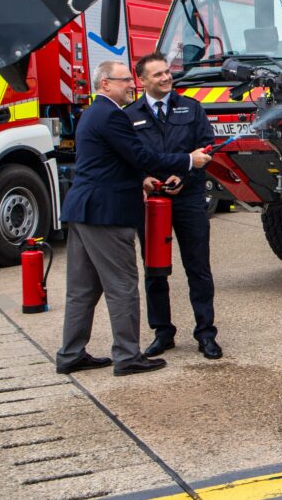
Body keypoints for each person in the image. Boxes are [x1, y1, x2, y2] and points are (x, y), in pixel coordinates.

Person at [55, 60, 211, 377]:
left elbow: (116, 161)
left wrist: (143, 178)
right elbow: (140, 156)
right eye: (125, 80)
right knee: (122, 286)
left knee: (82, 289)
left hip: (83, 209)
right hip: (106, 213)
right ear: (105, 84)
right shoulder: (112, 115)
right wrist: (187, 161)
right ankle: (127, 356)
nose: (131, 85)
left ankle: (70, 354)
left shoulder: (93, 114)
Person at [126, 53, 222, 360]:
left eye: (167, 72)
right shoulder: (129, 115)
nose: (166, 78)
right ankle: (162, 332)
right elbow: (127, 156)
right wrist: (145, 179)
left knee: (198, 267)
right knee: (155, 269)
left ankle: (206, 333)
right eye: (157, 75)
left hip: (189, 198)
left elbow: (208, 148)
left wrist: (183, 175)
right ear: (142, 80)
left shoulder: (191, 108)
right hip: (153, 202)